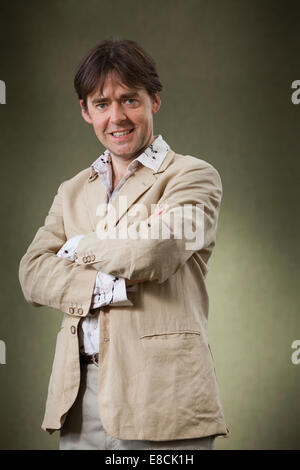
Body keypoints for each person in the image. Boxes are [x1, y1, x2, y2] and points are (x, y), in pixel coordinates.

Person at [19, 38, 229, 450]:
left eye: (129, 100)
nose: (117, 117)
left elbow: (158, 252)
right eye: (101, 104)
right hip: (79, 397)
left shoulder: (192, 176)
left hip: (163, 395)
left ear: (154, 100)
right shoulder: (72, 191)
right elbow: (32, 273)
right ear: (85, 111)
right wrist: (105, 285)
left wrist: (77, 245)